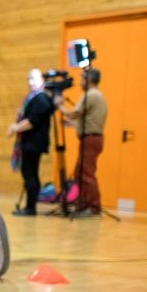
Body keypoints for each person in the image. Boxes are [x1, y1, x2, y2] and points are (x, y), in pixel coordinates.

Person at [7, 68, 57, 216]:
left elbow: (32, 121)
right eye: (28, 79)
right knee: (30, 173)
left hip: (33, 143)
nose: (30, 82)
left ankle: (30, 207)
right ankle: (30, 205)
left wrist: (16, 128)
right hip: (30, 142)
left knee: (30, 173)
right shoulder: (34, 98)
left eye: (33, 79)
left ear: (42, 81)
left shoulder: (40, 99)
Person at [60, 67, 106, 216]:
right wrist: (73, 124)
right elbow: (88, 119)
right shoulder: (96, 95)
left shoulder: (91, 95)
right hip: (91, 138)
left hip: (90, 139)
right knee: (79, 173)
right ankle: (84, 204)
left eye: (82, 79)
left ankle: (93, 207)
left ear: (89, 80)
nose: (80, 82)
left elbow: (74, 113)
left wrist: (59, 105)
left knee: (86, 174)